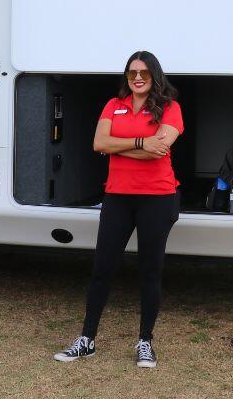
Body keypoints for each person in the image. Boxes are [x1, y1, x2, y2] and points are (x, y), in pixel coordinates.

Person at [54, 51, 183, 368]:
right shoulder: (114, 104)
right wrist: (141, 143)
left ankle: (145, 342)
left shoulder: (170, 107)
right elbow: (99, 143)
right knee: (102, 269)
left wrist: (121, 145)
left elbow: (160, 150)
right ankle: (87, 339)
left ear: (154, 75)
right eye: (131, 73)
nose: (137, 78)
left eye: (143, 73)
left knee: (150, 271)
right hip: (118, 197)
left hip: (158, 197)